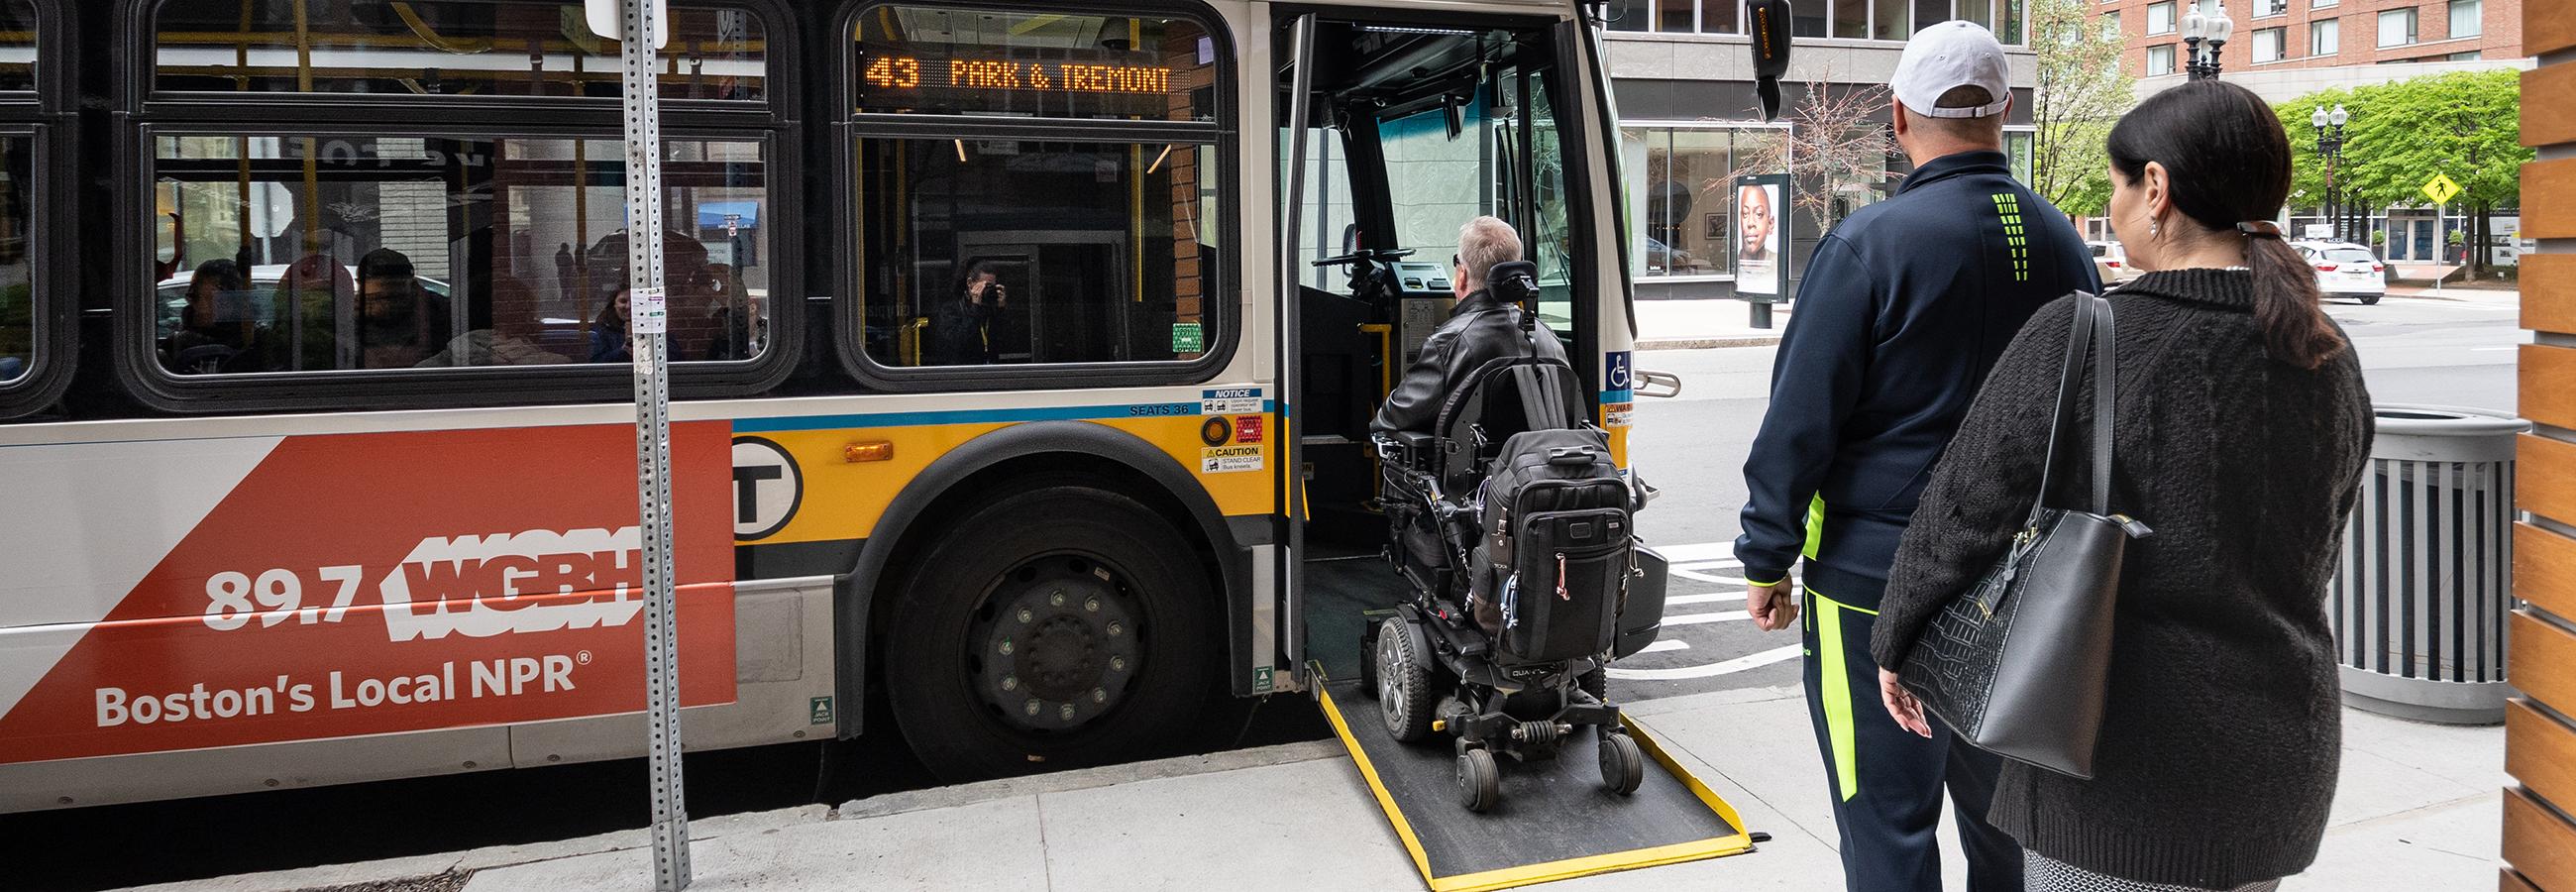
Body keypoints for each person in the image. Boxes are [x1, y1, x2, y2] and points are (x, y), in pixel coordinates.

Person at [1871, 79, 2372, 892]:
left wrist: (1898, 640)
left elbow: (1961, 513)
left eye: (2117, 183)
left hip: (2117, 770)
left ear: (2159, 191)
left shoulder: (2087, 333)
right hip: (2278, 763)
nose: (2112, 203)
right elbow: (2319, 542)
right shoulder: (2324, 352)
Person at [1731, 21, 2098, 892]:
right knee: (2007, 829)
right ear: (2005, 112)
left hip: (1874, 588)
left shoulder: (1871, 246)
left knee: (1886, 828)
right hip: (2026, 589)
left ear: (1899, 116)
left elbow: (1800, 424)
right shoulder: (2065, 244)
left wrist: (1765, 556)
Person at [1371, 216, 1567, 634]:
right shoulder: (1548, 339)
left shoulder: (1450, 341)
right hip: (1540, 499)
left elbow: (1393, 418)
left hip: (1470, 512)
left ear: (1462, 273)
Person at [165, 259, 255, 374]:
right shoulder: (175, 345)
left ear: (236, 302)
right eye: (195, 297)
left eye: (213, 299)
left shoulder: (255, 342)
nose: (202, 308)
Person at [928, 259, 1004, 366]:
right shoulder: (952, 309)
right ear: (969, 283)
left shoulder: (990, 309)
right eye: (985, 286)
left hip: (990, 368)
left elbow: (1006, 341)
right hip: (963, 370)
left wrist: (1000, 309)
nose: (988, 290)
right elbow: (958, 342)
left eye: (992, 287)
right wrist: (975, 307)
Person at [590, 286, 633, 364]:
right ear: (614, 304)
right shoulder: (602, 329)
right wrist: (622, 351)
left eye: (634, 301)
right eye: (623, 301)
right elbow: (595, 361)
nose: (628, 306)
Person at [1737, 183, 1775, 265]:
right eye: (1745, 214)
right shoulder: (1730, 266)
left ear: (1770, 224)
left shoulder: (1778, 264)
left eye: (1759, 214)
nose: (1750, 223)